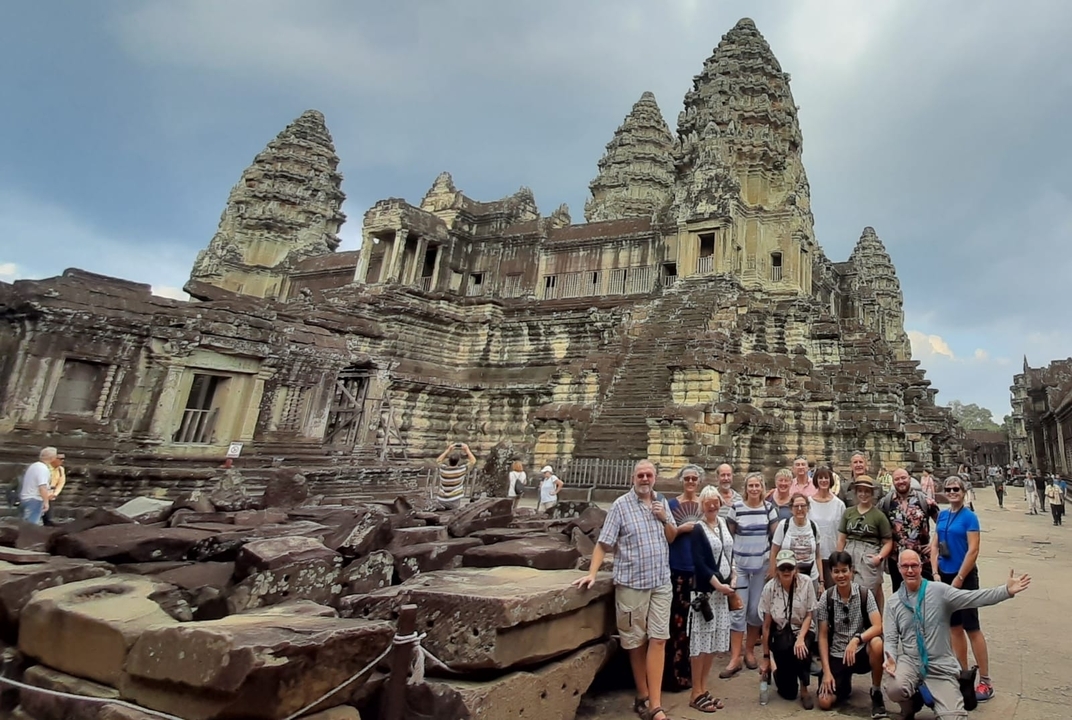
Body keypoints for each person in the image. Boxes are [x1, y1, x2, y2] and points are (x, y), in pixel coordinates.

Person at [571, 460, 677, 720]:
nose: (645, 479)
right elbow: (603, 543)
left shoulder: (661, 502)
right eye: (640, 475)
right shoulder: (620, 505)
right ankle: (643, 694)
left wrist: (664, 518)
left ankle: (656, 704)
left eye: (649, 475)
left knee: (659, 639)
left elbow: (672, 536)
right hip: (632, 583)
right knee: (636, 641)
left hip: (661, 581)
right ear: (633, 478)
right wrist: (592, 573)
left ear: (655, 478)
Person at [884, 549, 1031, 720]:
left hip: (939, 665)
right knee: (894, 688)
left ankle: (943, 700)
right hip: (911, 661)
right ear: (898, 568)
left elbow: (973, 597)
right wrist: (891, 658)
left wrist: (1006, 591)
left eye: (914, 565)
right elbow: (890, 638)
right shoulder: (893, 603)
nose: (910, 570)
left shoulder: (939, 591)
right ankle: (911, 704)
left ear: (921, 566)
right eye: (905, 566)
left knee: (954, 718)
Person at [932, 475, 994, 701]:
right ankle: (963, 674)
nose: (952, 492)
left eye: (956, 489)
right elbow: (934, 545)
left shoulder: (970, 517)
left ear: (963, 491)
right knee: (954, 627)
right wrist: (935, 572)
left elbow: (973, 550)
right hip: (944, 575)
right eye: (948, 489)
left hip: (964, 577)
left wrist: (959, 578)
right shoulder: (943, 515)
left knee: (971, 627)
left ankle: (985, 681)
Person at [816, 550, 888, 718]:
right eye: (836, 571)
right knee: (825, 702)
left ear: (851, 571)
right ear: (831, 573)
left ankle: (876, 691)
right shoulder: (826, 598)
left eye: (844, 570)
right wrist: (826, 671)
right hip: (838, 653)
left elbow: (878, 626)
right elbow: (823, 636)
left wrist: (857, 639)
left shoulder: (865, 594)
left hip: (860, 650)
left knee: (877, 643)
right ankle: (843, 685)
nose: (841, 575)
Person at [688, 485, 736, 712]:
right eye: (708, 503)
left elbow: (730, 553)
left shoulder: (723, 523)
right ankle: (695, 692)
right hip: (706, 593)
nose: (712, 506)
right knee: (701, 642)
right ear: (702, 505)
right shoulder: (698, 529)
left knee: (713, 642)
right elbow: (699, 562)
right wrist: (718, 585)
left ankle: (703, 688)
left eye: (715, 502)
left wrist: (733, 576)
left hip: (722, 592)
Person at [731, 472, 779, 672]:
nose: (753, 489)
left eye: (757, 485)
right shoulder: (736, 508)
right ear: (745, 488)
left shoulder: (769, 509)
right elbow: (731, 534)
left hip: (761, 567)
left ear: (762, 488)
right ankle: (735, 657)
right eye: (750, 486)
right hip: (741, 566)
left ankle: (749, 651)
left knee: (755, 611)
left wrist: (773, 565)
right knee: (737, 610)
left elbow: (776, 537)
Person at [759, 549, 818, 709]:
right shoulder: (769, 588)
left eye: (790, 567)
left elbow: (809, 615)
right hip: (781, 634)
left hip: (802, 629)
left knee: (801, 649)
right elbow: (766, 625)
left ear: (795, 569)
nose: (786, 571)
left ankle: (805, 689)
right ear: (777, 570)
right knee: (788, 693)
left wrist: (801, 638)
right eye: (782, 568)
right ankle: (775, 667)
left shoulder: (806, 582)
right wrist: (766, 657)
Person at [664, 464, 703, 691]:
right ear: (682, 480)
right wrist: (682, 528)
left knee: (696, 623)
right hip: (677, 568)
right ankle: (674, 674)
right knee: (677, 623)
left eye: (694, 479)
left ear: (699, 481)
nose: (690, 482)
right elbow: (668, 537)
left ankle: (694, 674)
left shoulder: (704, 504)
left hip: (698, 570)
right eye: (687, 478)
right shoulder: (671, 505)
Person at [837, 476, 893, 613]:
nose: (863, 494)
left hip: (869, 552)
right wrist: (838, 558)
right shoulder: (848, 512)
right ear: (856, 493)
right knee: (847, 590)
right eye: (860, 491)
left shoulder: (879, 516)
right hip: (850, 551)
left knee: (867, 594)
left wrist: (879, 557)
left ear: (872, 493)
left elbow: (888, 542)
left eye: (867, 491)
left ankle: (873, 622)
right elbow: (842, 538)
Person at [878, 468, 938, 592]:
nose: (901, 481)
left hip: (921, 558)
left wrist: (934, 544)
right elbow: (876, 523)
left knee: (925, 594)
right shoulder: (886, 503)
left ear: (910, 479)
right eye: (897, 479)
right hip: (897, 560)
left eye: (903, 478)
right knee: (900, 595)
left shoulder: (924, 500)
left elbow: (943, 524)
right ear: (893, 482)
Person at [770, 493, 823, 593]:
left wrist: (821, 581)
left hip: (811, 577)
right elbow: (774, 552)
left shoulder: (814, 526)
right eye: (796, 506)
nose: (799, 509)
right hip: (787, 576)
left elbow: (818, 556)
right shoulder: (783, 525)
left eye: (803, 506)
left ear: (808, 508)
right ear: (791, 509)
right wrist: (773, 576)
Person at [809, 466, 846, 590]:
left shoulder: (839, 504)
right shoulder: (809, 503)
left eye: (826, 478)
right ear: (816, 480)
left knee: (832, 592)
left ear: (831, 480)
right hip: (813, 556)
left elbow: (843, 532)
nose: (823, 480)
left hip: (832, 555)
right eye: (820, 478)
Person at [19, 447, 57, 526]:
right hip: (34, 500)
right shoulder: (43, 469)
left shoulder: (33, 466)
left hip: (25, 498)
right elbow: (42, 487)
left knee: (24, 525)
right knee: (31, 526)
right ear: (52, 458)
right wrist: (46, 502)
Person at [433, 442, 476, 509]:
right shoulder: (461, 469)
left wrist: (448, 450)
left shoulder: (443, 469)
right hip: (454, 501)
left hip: (441, 500)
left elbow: (438, 460)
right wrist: (467, 449)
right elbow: (473, 461)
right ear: (458, 461)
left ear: (448, 461)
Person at [43, 452, 67, 526]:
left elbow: (61, 482)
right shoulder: (45, 468)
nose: (62, 461)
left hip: (51, 494)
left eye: (63, 459)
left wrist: (55, 493)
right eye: (60, 459)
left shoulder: (60, 469)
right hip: (42, 493)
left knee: (48, 516)